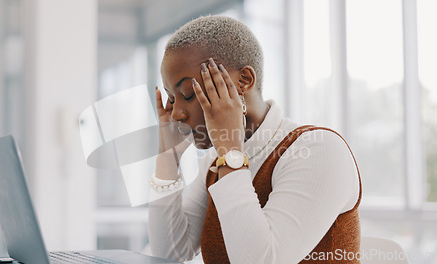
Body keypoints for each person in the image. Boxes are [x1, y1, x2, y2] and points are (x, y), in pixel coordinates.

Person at [148, 15, 361, 264]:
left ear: (244, 81)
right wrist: (167, 158)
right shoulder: (216, 162)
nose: (176, 114)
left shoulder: (319, 149)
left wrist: (229, 151)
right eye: (171, 99)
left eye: (187, 94)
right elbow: (170, 253)